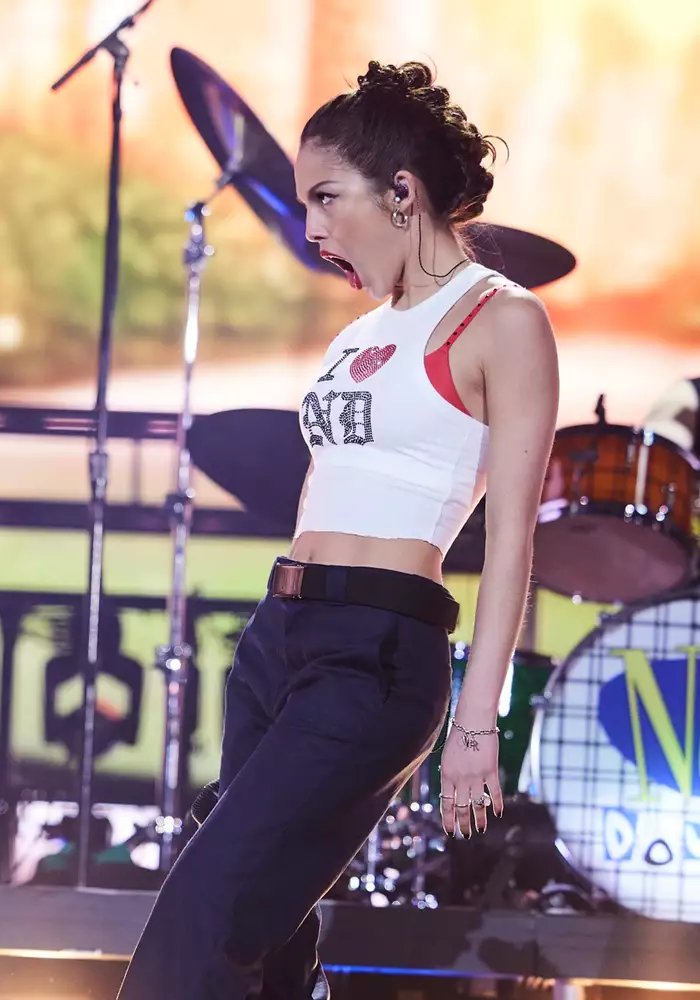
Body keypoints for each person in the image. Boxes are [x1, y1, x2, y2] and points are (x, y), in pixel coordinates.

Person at [115, 61, 559, 1000]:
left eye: (326, 198)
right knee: (269, 935)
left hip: (378, 655)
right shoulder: (357, 338)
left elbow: (514, 541)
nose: (310, 231)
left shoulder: (501, 318)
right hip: (278, 641)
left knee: (202, 922)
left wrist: (473, 730)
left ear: (402, 191)